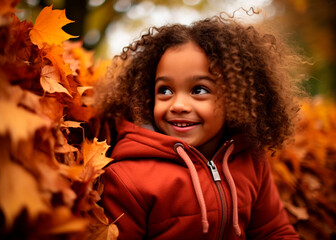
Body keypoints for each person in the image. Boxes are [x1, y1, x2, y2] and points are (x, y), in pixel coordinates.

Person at [94, 11, 304, 240]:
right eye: (165, 90)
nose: (179, 105)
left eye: (199, 90)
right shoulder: (128, 177)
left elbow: (274, 231)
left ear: (236, 96)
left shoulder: (251, 161)